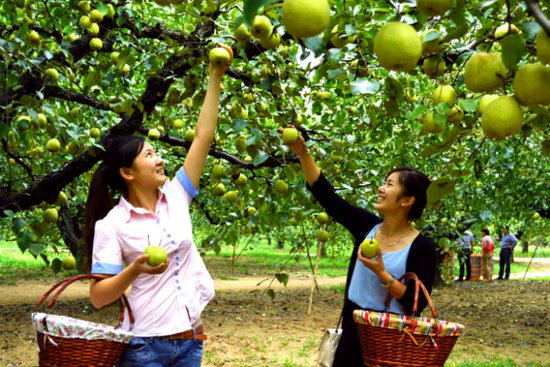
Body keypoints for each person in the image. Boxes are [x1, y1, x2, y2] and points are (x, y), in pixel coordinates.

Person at [82, 44, 233, 366]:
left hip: (191, 339)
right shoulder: (113, 225)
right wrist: (135, 268)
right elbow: (98, 298)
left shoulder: (178, 195)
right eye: (149, 155)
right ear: (127, 173)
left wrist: (215, 76)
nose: (160, 158)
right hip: (143, 347)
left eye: (156, 152)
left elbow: (203, 137)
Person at [282, 126, 436, 367]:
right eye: (384, 182)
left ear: (407, 200)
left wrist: (382, 273)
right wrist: (302, 152)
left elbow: (414, 303)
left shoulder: (422, 247)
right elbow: (328, 198)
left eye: (389, 184)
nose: (380, 188)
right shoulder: (367, 227)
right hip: (354, 326)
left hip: (389, 335)